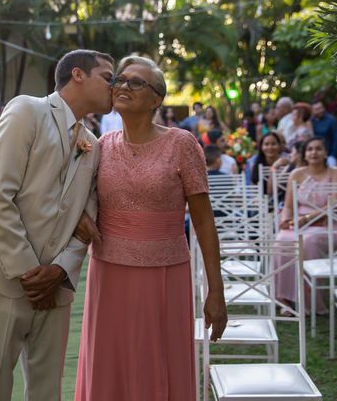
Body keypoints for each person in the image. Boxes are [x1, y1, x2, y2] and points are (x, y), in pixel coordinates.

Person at [0, 49, 114, 401]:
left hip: (55, 286)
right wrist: (31, 273)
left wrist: (60, 270)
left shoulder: (93, 143)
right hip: (3, 274)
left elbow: (85, 220)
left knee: (47, 391)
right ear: (78, 74)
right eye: (108, 76)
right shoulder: (27, 110)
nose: (114, 85)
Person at [74, 56, 226, 400]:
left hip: (164, 275)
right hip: (108, 273)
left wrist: (215, 291)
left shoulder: (182, 144)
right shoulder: (100, 145)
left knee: (158, 361)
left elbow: (203, 219)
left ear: (157, 99)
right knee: (108, 362)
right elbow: (76, 197)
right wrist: (79, 217)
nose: (124, 86)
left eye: (136, 82)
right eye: (121, 80)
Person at [274, 137, 337, 314]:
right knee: (282, 240)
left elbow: (335, 204)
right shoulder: (296, 174)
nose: (314, 152)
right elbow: (288, 206)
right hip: (299, 224)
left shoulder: (335, 172)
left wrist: (306, 218)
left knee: (308, 242)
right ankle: (286, 298)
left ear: (325, 152)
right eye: (310, 149)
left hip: (327, 224)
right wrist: (285, 219)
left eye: (319, 148)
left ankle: (310, 301)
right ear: (304, 154)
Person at [311, 100, 337, 167]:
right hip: (313, 154)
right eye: (317, 109)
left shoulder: (331, 120)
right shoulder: (310, 121)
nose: (320, 110)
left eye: (321, 108)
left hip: (329, 154)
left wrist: (333, 155)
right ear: (312, 111)